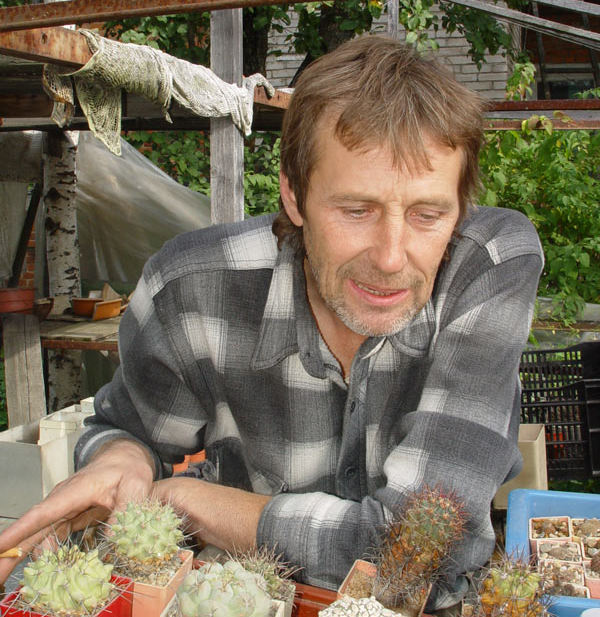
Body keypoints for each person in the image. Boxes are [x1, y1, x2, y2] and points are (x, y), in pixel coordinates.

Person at [0, 34, 543, 611]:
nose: (390, 257)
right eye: (355, 210)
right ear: (293, 194)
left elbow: (419, 557)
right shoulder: (189, 289)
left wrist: (190, 501)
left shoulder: (490, 265)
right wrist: (121, 461)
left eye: (428, 214)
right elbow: (128, 429)